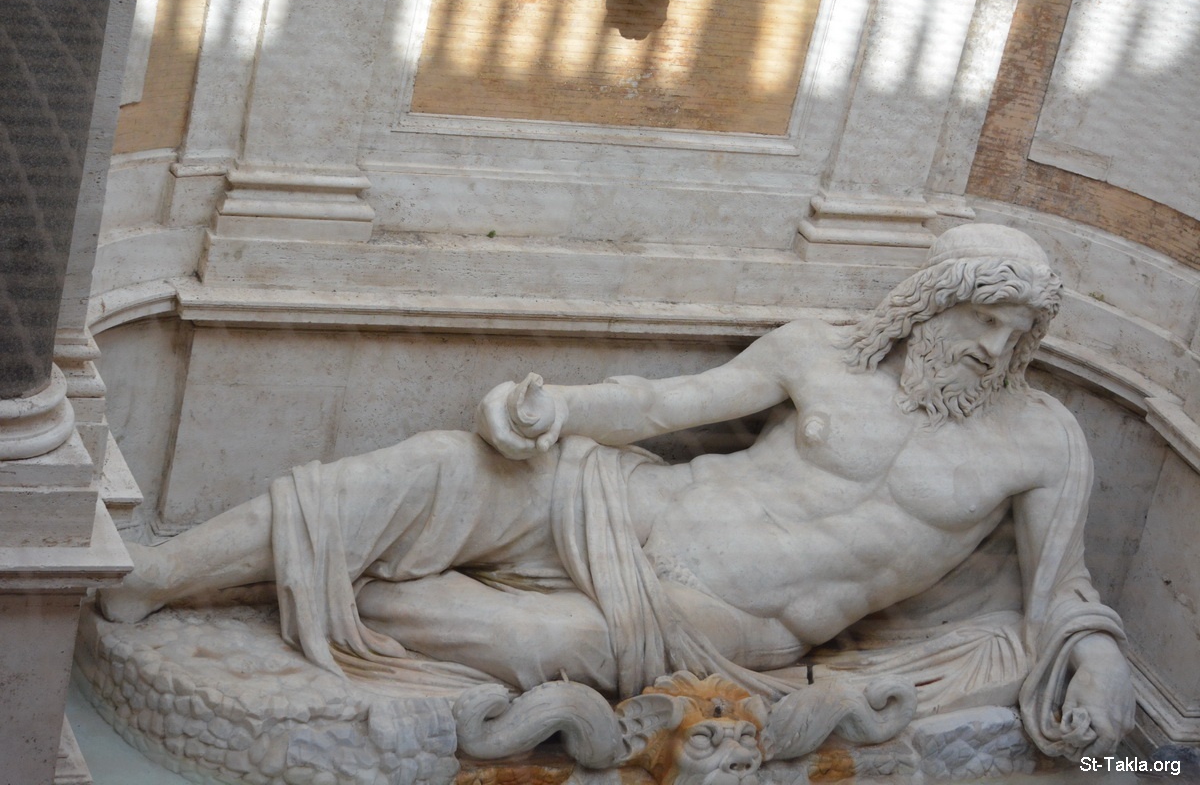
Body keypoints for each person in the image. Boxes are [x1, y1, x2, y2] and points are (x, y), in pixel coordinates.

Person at [98, 223, 1134, 760]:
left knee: (484, 635)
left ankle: (315, 599)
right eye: (981, 320)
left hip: (699, 622)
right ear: (929, 304)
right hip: (628, 501)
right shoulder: (820, 352)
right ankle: (154, 577)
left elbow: (1064, 588)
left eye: (1017, 334)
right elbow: (663, 404)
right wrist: (552, 407)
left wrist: (1097, 665)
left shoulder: (1040, 440)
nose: (995, 348)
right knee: (430, 467)